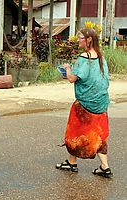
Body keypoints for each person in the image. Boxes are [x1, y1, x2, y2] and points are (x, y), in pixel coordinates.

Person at [56, 28, 113, 178]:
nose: (78, 40)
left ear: (88, 40)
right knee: (99, 134)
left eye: (80, 37)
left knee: (74, 132)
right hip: (100, 103)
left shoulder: (84, 57)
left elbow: (71, 79)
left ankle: (72, 163)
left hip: (85, 104)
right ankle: (104, 166)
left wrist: (68, 69)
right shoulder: (101, 57)